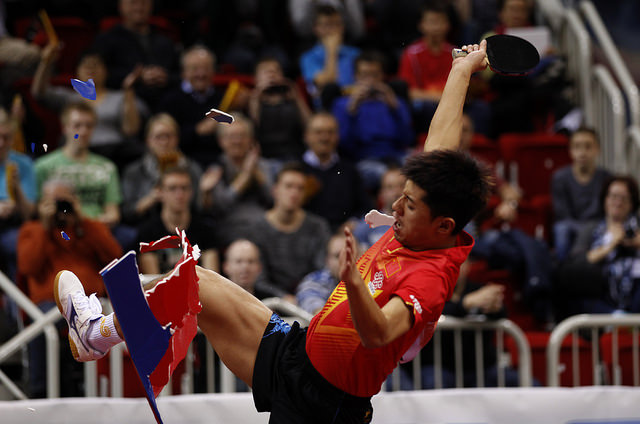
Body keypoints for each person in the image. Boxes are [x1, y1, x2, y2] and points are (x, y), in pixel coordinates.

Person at [54, 42, 491, 422]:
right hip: (296, 350)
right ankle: (95, 334)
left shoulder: (430, 277)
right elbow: (441, 141)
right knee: (193, 277)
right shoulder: (425, 217)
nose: (395, 206)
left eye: (408, 204)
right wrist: (460, 70)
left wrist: (353, 284)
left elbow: (378, 333)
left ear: (444, 226)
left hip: (327, 406)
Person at [18, 179, 121, 397]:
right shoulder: (32, 229)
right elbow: (28, 266)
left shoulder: (88, 228)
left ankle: (107, 392)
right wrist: (45, 226)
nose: (59, 207)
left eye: (64, 201)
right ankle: (40, 393)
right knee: (42, 324)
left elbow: (115, 258)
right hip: (48, 306)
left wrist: (81, 221)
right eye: (54, 202)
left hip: (92, 303)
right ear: (42, 202)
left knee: (113, 320)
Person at [34, 101, 136, 250]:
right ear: (65, 128)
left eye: (89, 126)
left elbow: (113, 214)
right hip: (60, 229)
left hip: (98, 229)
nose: (83, 131)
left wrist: (89, 224)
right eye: (77, 125)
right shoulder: (44, 166)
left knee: (130, 236)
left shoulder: (106, 167)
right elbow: (40, 212)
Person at [30, 47, 148, 171]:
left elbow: (131, 129)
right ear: (77, 71)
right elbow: (38, 93)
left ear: (106, 70)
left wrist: (128, 91)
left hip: (115, 154)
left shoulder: (120, 97)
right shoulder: (68, 98)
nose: (91, 69)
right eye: (86, 65)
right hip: (77, 150)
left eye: (96, 65)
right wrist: (46, 62)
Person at [332, 50, 413, 191]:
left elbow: (407, 139)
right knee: (389, 176)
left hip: (396, 155)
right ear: (355, 76)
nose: (370, 81)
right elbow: (343, 145)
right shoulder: (342, 104)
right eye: (364, 75)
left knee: (420, 170)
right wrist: (351, 111)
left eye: (375, 75)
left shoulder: (394, 101)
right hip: (364, 159)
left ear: (383, 76)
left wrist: (395, 108)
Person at [247, 162, 331, 299]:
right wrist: (283, 297)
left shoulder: (318, 227)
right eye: (288, 186)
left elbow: (322, 271)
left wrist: (306, 294)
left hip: (311, 298)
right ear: (275, 190)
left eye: (300, 188)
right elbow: (258, 279)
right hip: (268, 303)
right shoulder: (257, 229)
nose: (294, 193)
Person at [559, 176, 640, 316]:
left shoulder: (638, 229)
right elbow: (575, 267)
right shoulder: (591, 229)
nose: (618, 202)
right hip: (599, 300)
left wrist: (634, 244)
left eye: (624, 198)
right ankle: (616, 318)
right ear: (605, 199)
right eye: (614, 196)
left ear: (632, 204)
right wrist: (610, 245)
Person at [199, 114, 274, 248]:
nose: (237, 141)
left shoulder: (264, 166)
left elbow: (274, 200)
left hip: (265, 227)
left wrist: (256, 173)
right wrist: (246, 175)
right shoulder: (216, 168)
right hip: (230, 230)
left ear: (251, 140)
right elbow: (221, 206)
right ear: (221, 141)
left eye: (242, 136)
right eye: (231, 136)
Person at [91, 0, 179, 108]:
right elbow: (101, 75)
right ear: (121, 6)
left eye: (144, 3)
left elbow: (180, 75)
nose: (139, 7)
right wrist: (136, 77)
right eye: (133, 2)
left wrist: (166, 77)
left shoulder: (165, 41)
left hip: (165, 103)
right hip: (122, 103)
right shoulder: (106, 40)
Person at [121, 113, 202, 225]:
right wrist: (150, 200)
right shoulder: (134, 171)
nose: (164, 142)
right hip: (144, 226)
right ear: (148, 141)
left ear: (177, 139)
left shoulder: (191, 168)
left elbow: (199, 207)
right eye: (158, 137)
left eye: (169, 136)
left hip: (184, 225)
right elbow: (126, 213)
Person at [137, 166, 219, 274]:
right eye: (172, 188)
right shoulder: (147, 232)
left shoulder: (205, 231)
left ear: (191, 192)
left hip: (198, 289)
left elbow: (212, 278)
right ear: (160, 192)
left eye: (184, 188)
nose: (179, 195)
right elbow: (153, 281)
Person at [301, 112, 372, 231]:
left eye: (330, 132)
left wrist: (352, 223)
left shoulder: (350, 170)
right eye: (318, 132)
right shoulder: (296, 170)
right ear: (307, 136)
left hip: (344, 235)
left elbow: (365, 207)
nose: (325, 138)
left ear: (337, 136)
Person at [551, 127, 611, 262]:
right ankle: (563, 273)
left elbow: (603, 212)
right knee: (561, 229)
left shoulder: (606, 178)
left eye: (588, 147)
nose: (582, 152)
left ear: (598, 149)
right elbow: (562, 213)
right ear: (570, 151)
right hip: (569, 225)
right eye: (577, 147)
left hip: (596, 225)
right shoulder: (559, 177)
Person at [158, 45, 224, 168]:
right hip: (181, 162)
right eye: (194, 69)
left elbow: (229, 126)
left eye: (206, 68)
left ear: (214, 71)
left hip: (219, 163)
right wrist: (197, 131)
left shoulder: (222, 99)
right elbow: (165, 137)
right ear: (183, 72)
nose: (201, 74)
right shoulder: (170, 100)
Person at [397, 2, 455, 132]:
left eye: (440, 22)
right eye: (431, 22)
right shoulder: (411, 54)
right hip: (426, 105)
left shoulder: (455, 53)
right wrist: (440, 98)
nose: (436, 27)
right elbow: (410, 92)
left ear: (447, 25)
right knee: (426, 107)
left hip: (451, 102)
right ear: (421, 25)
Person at [247, 56, 311, 162]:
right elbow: (252, 129)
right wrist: (257, 96)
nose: (271, 74)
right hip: (265, 157)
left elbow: (310, 125)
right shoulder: (252, 100)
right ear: (256, 78)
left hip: (295, 154)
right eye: (266, 71)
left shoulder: (292, 99)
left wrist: (297, 97)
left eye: (276, 71)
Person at [299, 4, 360, 110]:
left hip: (357, 103)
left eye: (337, 24)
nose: (333, 29)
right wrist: (331, 52)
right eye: (327, 25)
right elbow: (327, 85)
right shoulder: (308, 58)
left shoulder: (355, 53)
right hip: (328, 109)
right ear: (316, 29)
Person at [0, 108, 36, 283]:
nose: (1, 143)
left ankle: (21, 308)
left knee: (22, 245)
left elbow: (28, 214)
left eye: (5, 137)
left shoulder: (23, 163)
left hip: (13, 226)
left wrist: (17, 189)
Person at [353, 167, 405, 249]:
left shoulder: (417, 223)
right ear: (381, 193)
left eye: (401, 186)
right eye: (390, 187)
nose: (396, 192)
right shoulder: (368, 224)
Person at [296, 232, 345, 315]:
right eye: (337, 256)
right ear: (328, 260)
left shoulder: (372, 279)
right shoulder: (315, 281)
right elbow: (312, 302)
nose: (345, 260)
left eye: (351, 254)